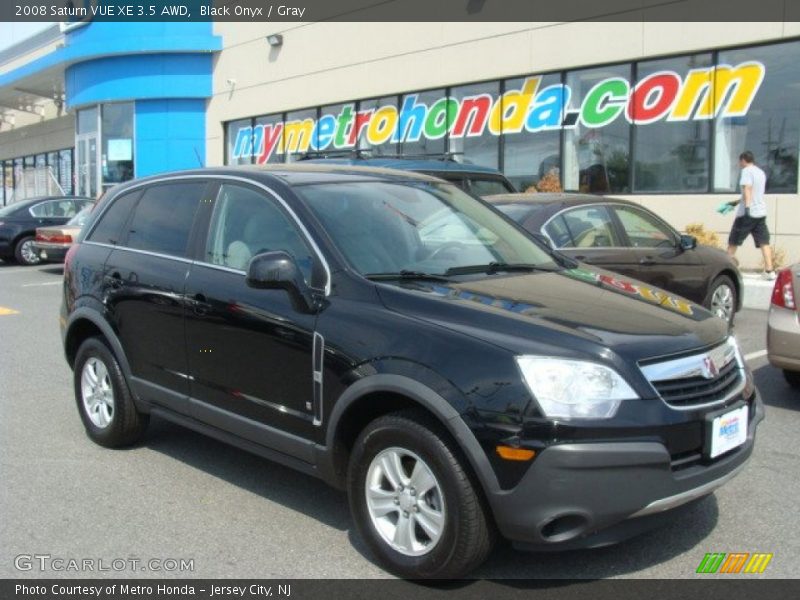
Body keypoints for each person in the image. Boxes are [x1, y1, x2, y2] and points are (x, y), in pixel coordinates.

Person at [726, 150, 775, 280]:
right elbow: (754, 194)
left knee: (733, 241)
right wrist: (733, 203)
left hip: (747, 214)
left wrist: (747, 208)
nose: (739, 164)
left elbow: (747, 189)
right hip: (760, 213)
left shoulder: (746, 171)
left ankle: (724, 268)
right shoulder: (760, 172)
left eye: (739, 162)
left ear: (743, 160)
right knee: (764, 241)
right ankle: (769, 270)